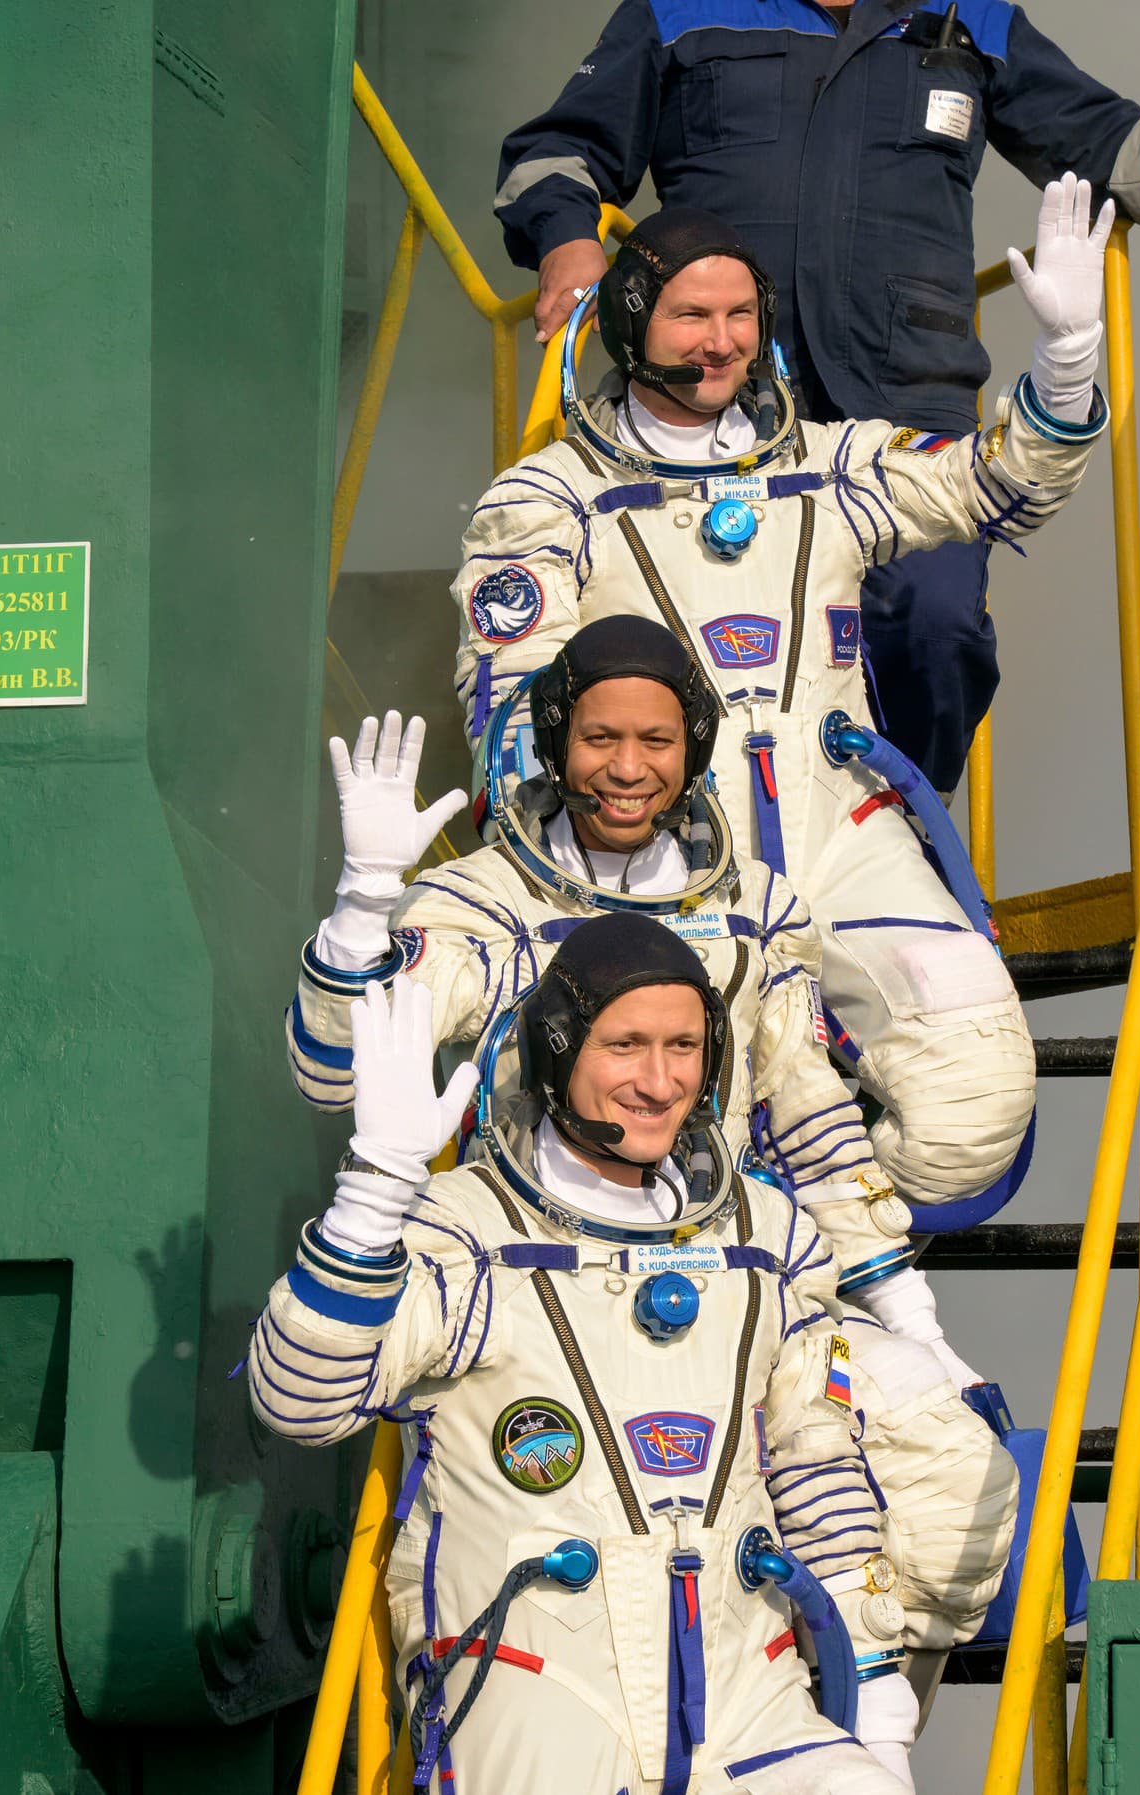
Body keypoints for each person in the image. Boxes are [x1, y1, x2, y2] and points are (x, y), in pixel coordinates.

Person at [288, 615, 1019, 1680]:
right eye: (596, 740)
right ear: (552, 740)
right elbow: (329, 1069)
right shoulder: (484, 905)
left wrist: (909, 1314)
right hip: (534, 1280)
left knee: (947, 1474)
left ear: (694, 748)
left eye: (656, 742)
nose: (625, 770)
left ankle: (862, 1721)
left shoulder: (756, 912)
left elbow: (810, 1116)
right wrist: (362, 912)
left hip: (733, 1269)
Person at [450, 183, 1108, 1211]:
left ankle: (827, 1258)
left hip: (839, 830)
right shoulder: (548, 501)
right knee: (661, 1122)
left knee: (974, 1099)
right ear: (631, 323)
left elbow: (998, 485)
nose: (720, 344)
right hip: (662, 860)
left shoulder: (831, 467)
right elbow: (512, 723)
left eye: (738, 317)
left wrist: (1066, 362)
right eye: (690, 317)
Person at [494, 0, 1140, 792]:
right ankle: (687, 860)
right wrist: (567, 238)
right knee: (686, 629)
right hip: (717, 407)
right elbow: (559, 147)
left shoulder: (971, 20)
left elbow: (1104, 141)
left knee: (935, 622)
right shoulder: (681, 10)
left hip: (904, 406)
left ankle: (905, 836)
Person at [254, 922, 930, 1791]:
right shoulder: (467, 1230)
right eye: (625, 1045)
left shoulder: (768, 1240)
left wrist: (875, 1708)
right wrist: (378, 1182)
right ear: (557, 1050)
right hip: (537, 1691)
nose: (660, 1081)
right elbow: (299, 1399)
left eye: (685, 1046)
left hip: (747, 1695)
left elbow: (818, 1470)